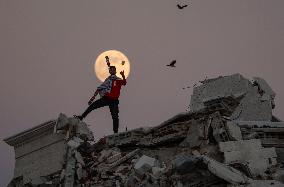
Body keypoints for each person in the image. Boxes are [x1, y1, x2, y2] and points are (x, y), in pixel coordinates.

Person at [75, 66, 127, 133]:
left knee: (115, 117)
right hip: (106, 98)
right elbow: (100, 88)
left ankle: (115, 133)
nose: (112, 71)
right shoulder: (108, 80)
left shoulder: (118, 80)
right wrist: (93, 97)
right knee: (93, 106)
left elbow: (124, 83)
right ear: (109, 71)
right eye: (110, 70)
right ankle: (81, 117)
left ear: (115, 71)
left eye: (113, 70)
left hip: (114, 101)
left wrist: (123, 75)